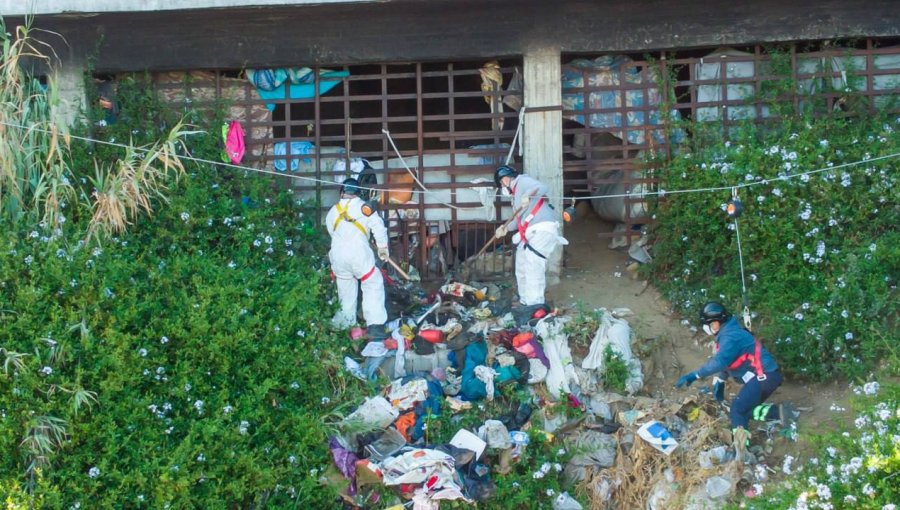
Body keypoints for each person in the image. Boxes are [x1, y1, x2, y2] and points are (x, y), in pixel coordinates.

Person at [676, 302, 798, 440]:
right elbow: (731, 361)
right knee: (745, 410)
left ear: (715, 323)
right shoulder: (729, 332)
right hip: (765, 377)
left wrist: (694, 375)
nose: (706, 328)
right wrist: (721, 379)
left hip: (764, 376)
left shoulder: (730, 336)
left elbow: (720, 361)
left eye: (708, 325)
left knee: (737, 409)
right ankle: (780, 413)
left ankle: (741, 451)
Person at [493, 165, 568, 307]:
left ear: (505, 179)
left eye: (501, 183)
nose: (502, 187)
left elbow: (542, 187)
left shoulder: (522, 181)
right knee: (521, 265)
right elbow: (517, 221)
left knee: (533, 266)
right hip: (530, 232)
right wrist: (505, 228)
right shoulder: (515, 197)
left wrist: (528, 194)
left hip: (542, 229)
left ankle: (534, 305)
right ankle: (525, 300)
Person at [326, 178, 389, 331]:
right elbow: (379, 228)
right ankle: (375, 325)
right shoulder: (364, 208)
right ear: (358, 192)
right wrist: (382, 248)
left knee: (345, 289)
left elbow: (331, 231)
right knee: (372, 282)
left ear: (342, 192)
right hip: (358, 253)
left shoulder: (333, 211)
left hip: (338, 255)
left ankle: (346, 324)